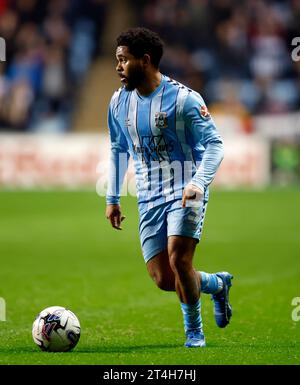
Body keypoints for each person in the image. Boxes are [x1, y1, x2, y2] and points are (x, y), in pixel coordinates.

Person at [105, 27, 233, 348]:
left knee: (179, 259)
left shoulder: (184, 100)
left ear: (145, 61)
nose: (118, 67)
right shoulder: (119, 102)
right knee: (164, 279)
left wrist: (199, 182)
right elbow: (119, 149)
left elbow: (214, 144)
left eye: (124, 60)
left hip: (185, 188)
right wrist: (113, 198)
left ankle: (194, 333)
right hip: (148, 195)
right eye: (117, 60)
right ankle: (217, 284)